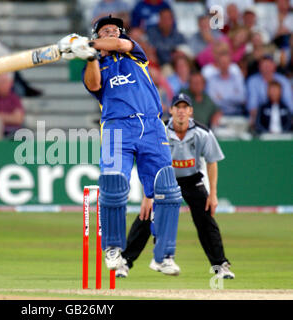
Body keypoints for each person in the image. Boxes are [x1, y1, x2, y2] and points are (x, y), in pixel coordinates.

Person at [59, 15, 182, 274]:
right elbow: (94, 85)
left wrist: (86, 43)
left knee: (167, 191)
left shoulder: (135, 53)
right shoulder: (96, 65)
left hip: (151, 125)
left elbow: (122, 45)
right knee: (114, 187)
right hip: (116, 128)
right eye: (106, 30)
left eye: (116, 29)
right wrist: (90, 56)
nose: (112, 32)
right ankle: (113, 249)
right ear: (98, 36)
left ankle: (163, 255)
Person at [116, 93, 235, 280]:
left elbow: (212, 162)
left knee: (205, 220)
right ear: (170, 110)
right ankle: (124, 262)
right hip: (165, 179)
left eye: (184, 107)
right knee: (147, 217)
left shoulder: (202, 133)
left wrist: (213, 194)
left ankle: (220, 265)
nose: (181, 111)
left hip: (192, 179)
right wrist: (148, 197)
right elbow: (147, 161)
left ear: (190, 111)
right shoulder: (159, 130)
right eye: (177, 107)